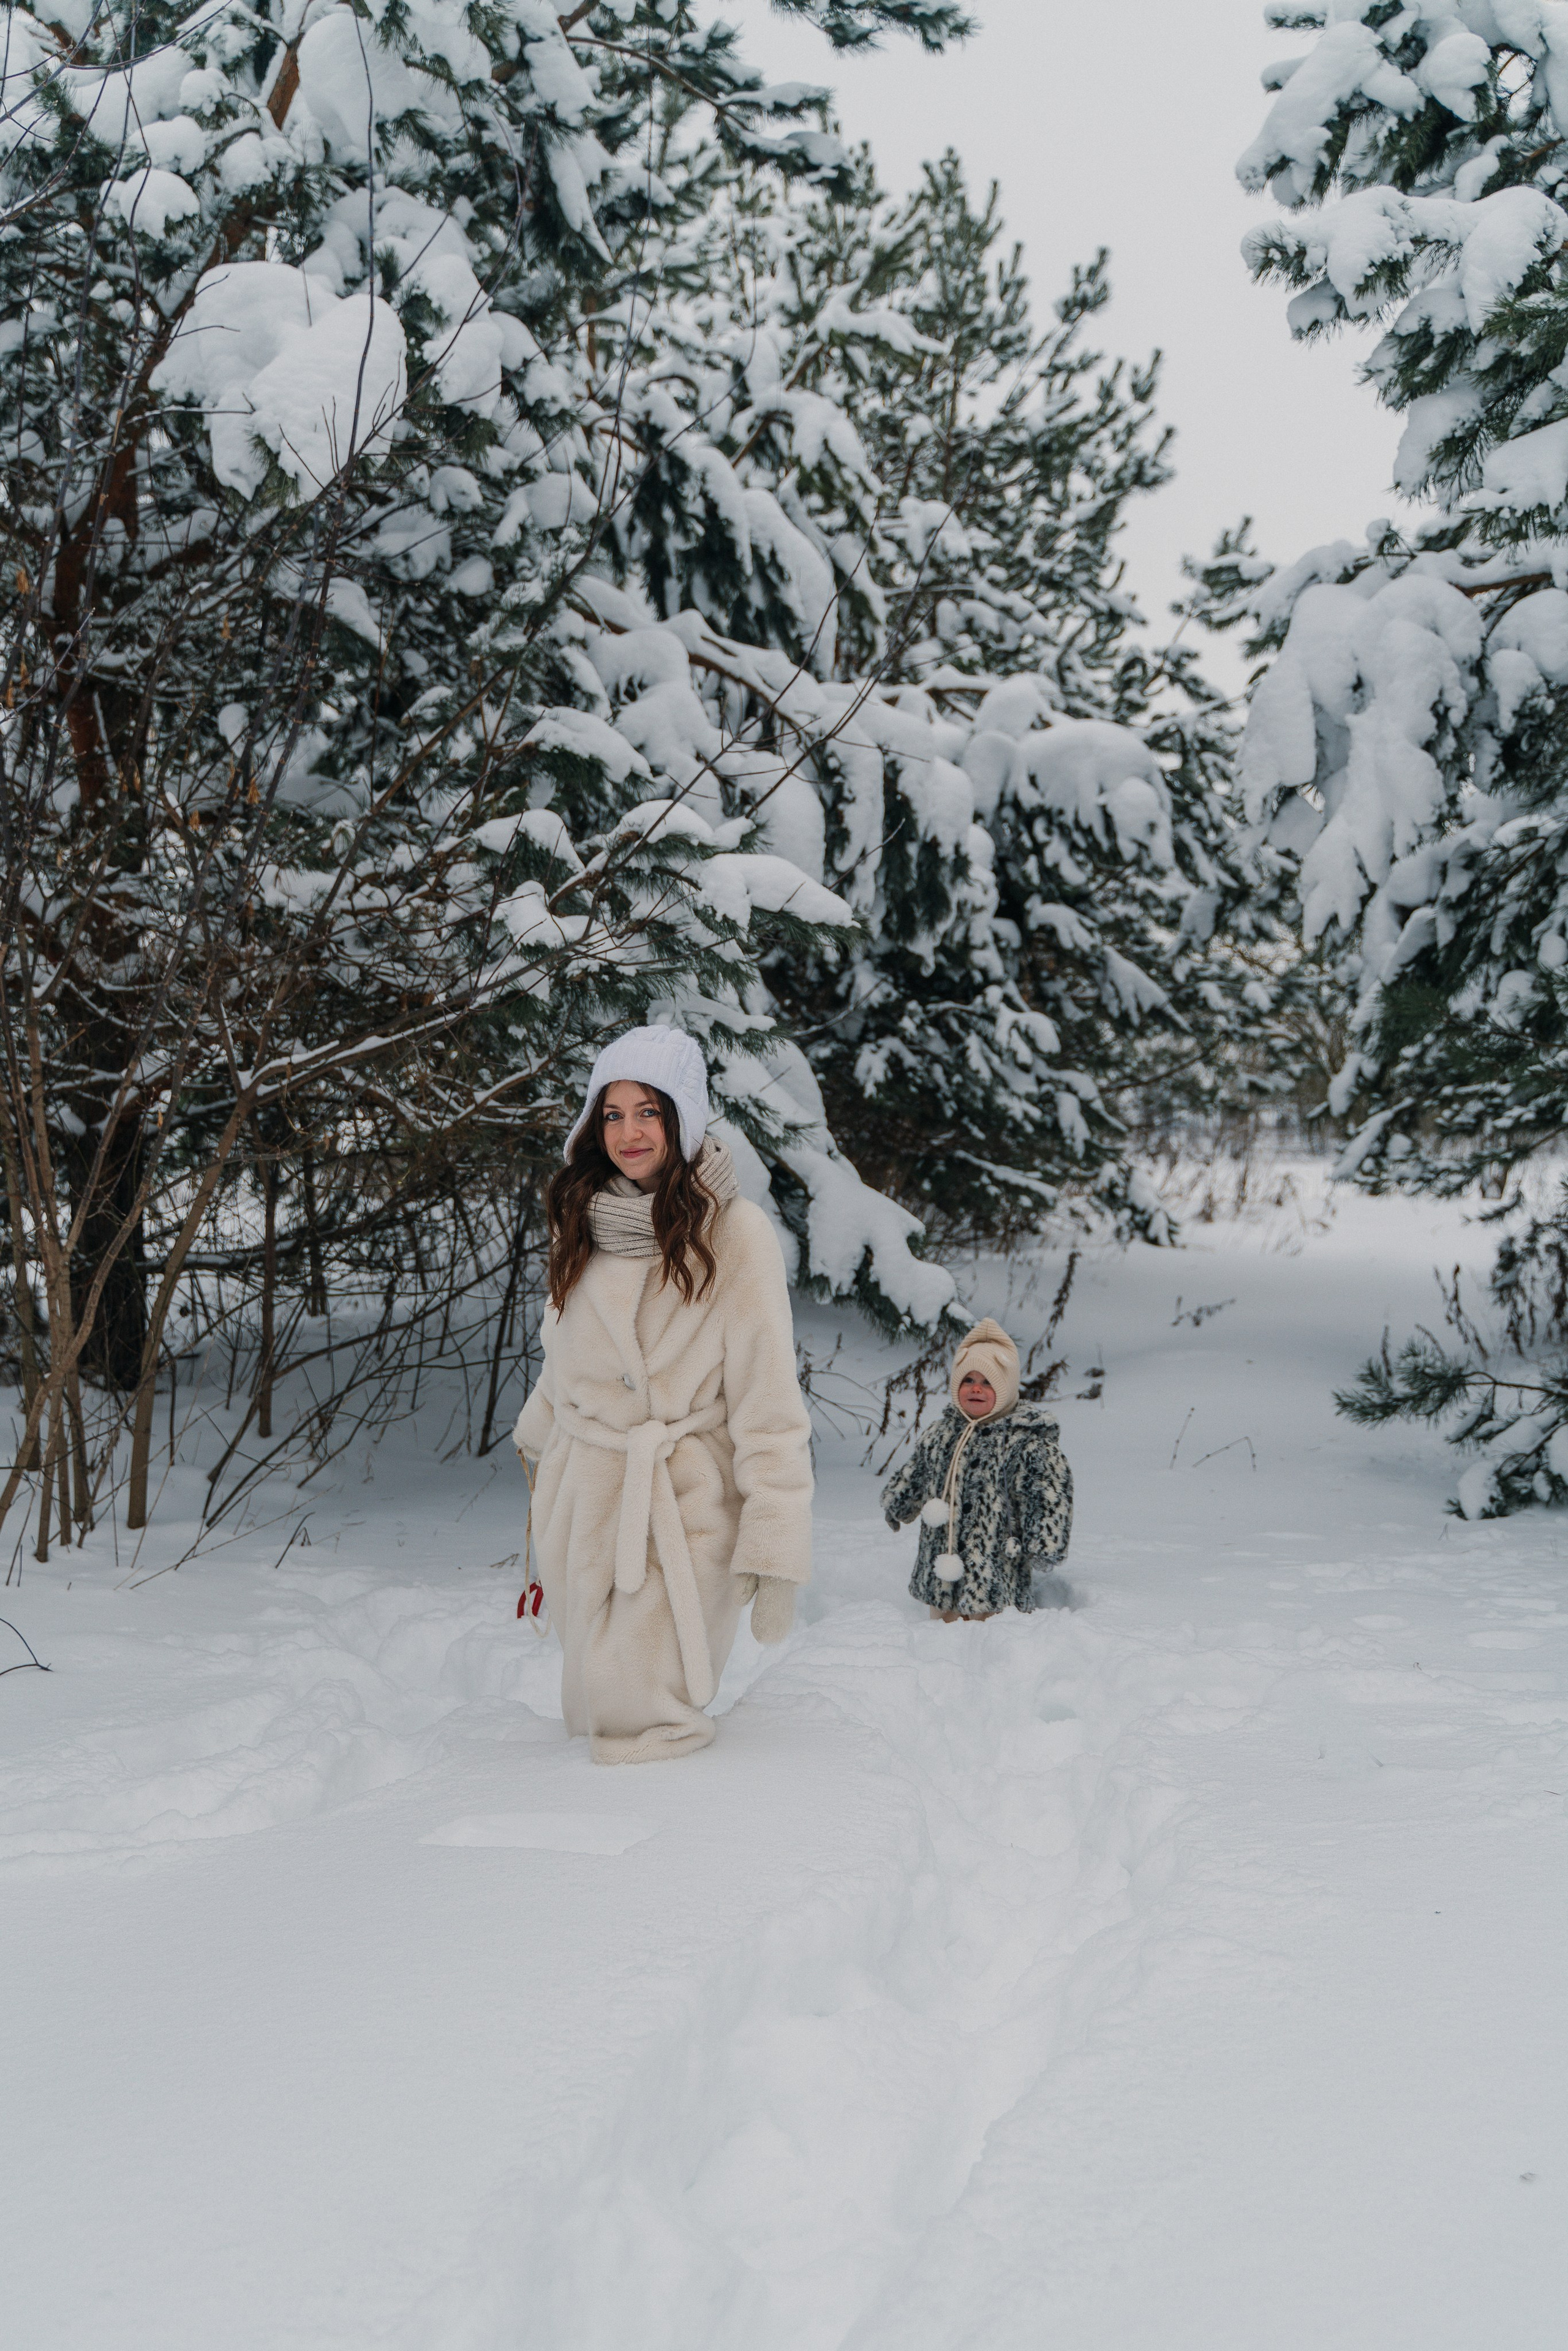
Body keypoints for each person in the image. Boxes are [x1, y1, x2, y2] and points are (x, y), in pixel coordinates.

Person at [513, 1025, 812, 1762]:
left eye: (648, 1111)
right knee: (593, 1714)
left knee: (648, 1725)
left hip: (680, 1502)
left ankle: (667, 1861)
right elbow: (562, 1359)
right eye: (611, 1114)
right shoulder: (577, 1221)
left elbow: (768, 1401)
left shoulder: (735, 1234)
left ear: (682, 1117)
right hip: (581, 1499)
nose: (629, 1132)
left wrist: (775, 1542)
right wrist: (538, 1448)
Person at [881, 1317, 1072, 1622]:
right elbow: (917, 1473)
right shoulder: (941, 1434)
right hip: (940, 1567)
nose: (976, 1389)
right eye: (968, 1380)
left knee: (987, 1633)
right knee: (941, 1631)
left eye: (987, 1383)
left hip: (995, 1571)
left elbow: (1047, 1493)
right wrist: (899, 1501)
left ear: (1007, 1389)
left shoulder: (1025, 1442)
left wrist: (1044, 1543)